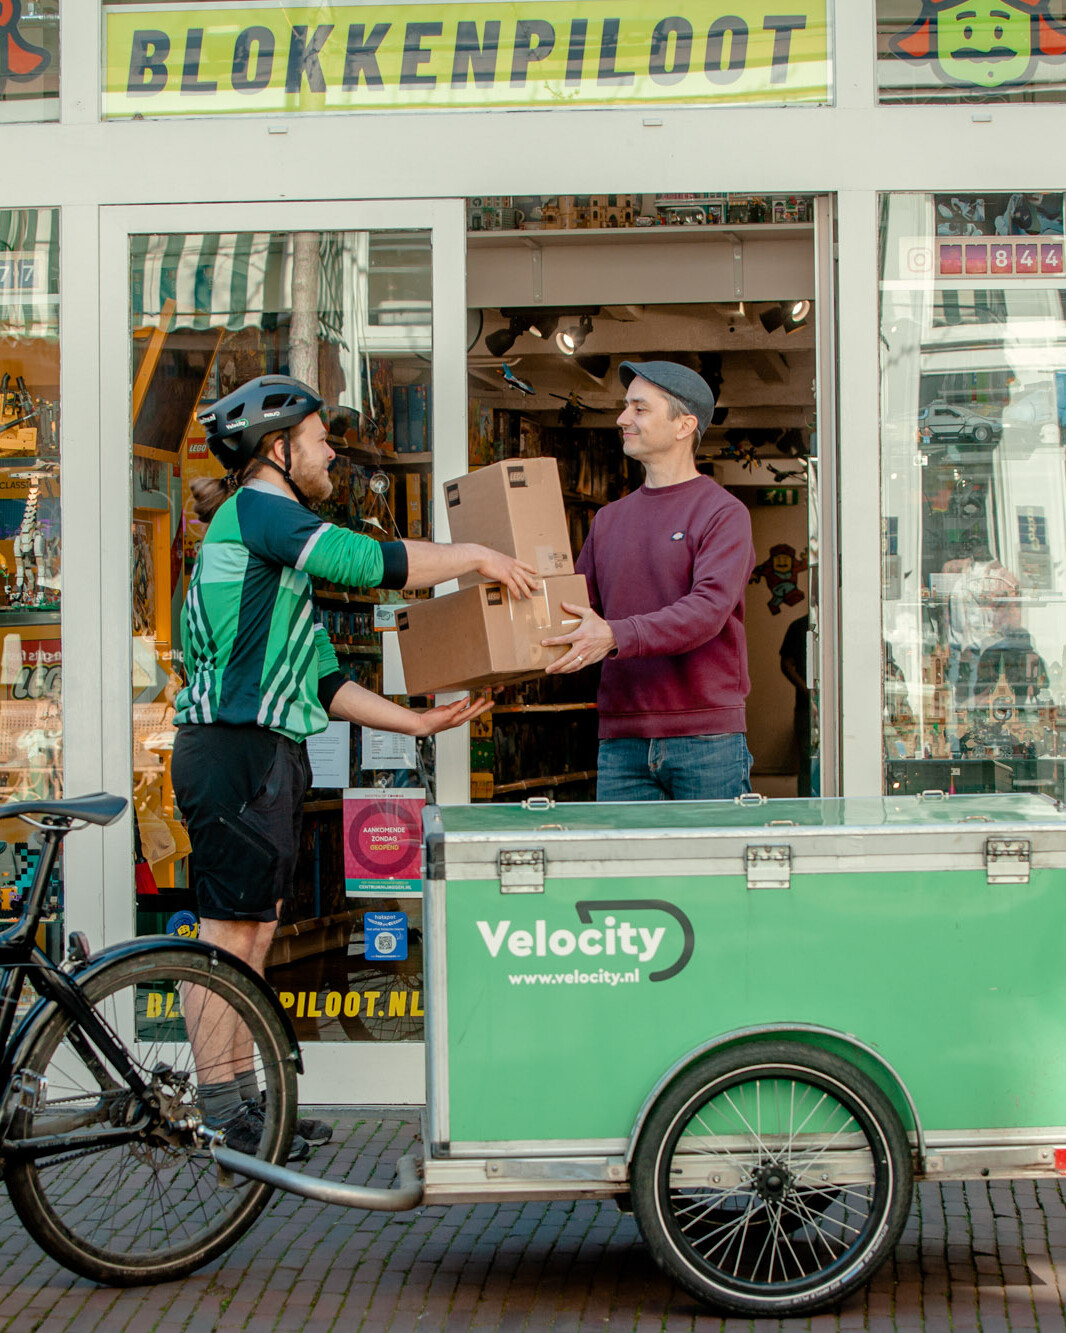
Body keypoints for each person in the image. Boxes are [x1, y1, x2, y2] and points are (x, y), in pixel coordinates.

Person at [171, 375, 538, 1158]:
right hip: (233, 748)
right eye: (318, 437)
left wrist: (417, 720)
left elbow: (324, 680)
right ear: (277, 448)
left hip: (263, 752)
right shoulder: (264, 511)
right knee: (226, 938)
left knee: (254, 937)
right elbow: (368, 561)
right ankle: (219, 1114)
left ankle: (246, 1110)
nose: (331, 449)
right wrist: (475, 553)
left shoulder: (276, 554)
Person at [542, 361, 755, 801]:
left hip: (706, 739)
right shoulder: (608, 520)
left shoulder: (723, 514)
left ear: (684, 425)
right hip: (621, 741)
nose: (623, 419)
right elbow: (569, 608)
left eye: (640, 408)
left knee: (713, 872)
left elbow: (707, 611)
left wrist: (615, 635)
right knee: (624, 873)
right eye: (626, 407)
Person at [779, 614, 814, 797]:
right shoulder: (799, 626)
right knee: (807, 761)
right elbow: (786, 664)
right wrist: (807, 690)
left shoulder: (843, 625)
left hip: (817, 705)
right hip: (805, 708)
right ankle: (807, 810)